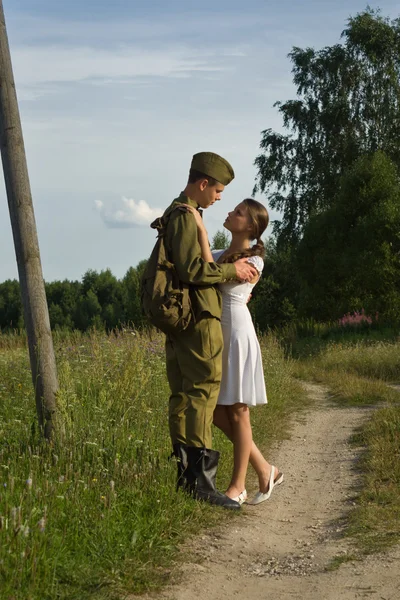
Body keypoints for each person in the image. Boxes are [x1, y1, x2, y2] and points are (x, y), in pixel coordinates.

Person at [164, 152, 258, 510]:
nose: (219, 198)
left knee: (195, 399)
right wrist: (232, 273)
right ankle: (199, 484)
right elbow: (195, 271)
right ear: (203, 184)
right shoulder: (186, 217)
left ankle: (198, 480)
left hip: (201, 322)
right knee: (201, 399)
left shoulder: (183, 215)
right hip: (200, 322)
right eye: (218, 190)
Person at [182, 198, 283, 506]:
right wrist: (199, 230)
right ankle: (265, 468)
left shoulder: (255, 261)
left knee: (238, 410)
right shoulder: (221, 255)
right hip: (216, 335)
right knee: (213, 410)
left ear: (251, 226)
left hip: (237, 333)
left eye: (237, 212)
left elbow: (219, 273)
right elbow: (205, 267)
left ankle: (238, 485)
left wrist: (200, 227)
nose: (229, 213)